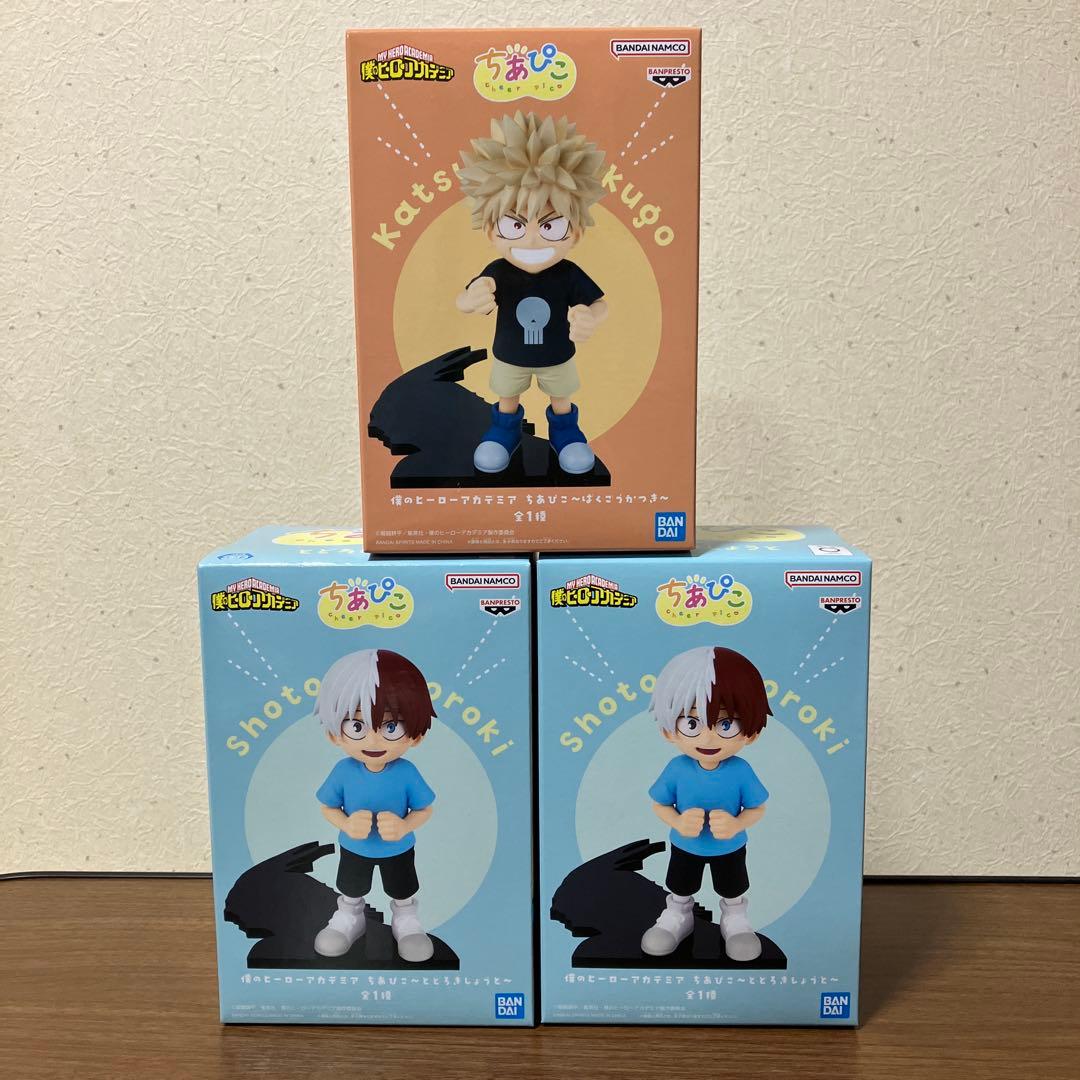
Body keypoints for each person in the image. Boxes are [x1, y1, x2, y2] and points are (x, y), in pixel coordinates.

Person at [457, 111, 609, 475]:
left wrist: (591, 317)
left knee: (561, 397)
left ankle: (566, 433)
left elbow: (599, 304)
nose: (531, 239)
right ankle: (503, 432)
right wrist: (472, 298)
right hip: (510, 356)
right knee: (506, 397)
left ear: (576, 232)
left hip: (558, 356)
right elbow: (464, 299)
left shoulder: (568, 274)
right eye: (514, 225)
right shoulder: (498, 272)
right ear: (490, 230)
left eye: (550, 226)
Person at [641, 646, 771, 961]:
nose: (708, 738)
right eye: (692, 723)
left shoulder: (741, 771)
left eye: (726, 725)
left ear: (751, 732)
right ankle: (678, 914)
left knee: (732, 886)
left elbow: (758, 808)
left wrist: (737, 824)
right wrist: (677, 821)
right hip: (686, 845)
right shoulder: (676, 769)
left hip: (730, 847)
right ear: (668, 729)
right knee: (680, 883)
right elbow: (658, 804)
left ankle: (735, 919)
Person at [312, 649, 436, 962]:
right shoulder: (343, 771)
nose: (374, 740)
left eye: (391, 727)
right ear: (334, 734)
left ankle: (406, 920)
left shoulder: (407, 773)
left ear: (416, 735)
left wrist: (405, 826)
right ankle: (349, 916)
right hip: (355, 847)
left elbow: (425, 809)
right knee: (351, 887)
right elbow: (327, 807)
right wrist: (346, 824)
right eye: (357, 726)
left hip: (399, 848)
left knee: (402, 888)